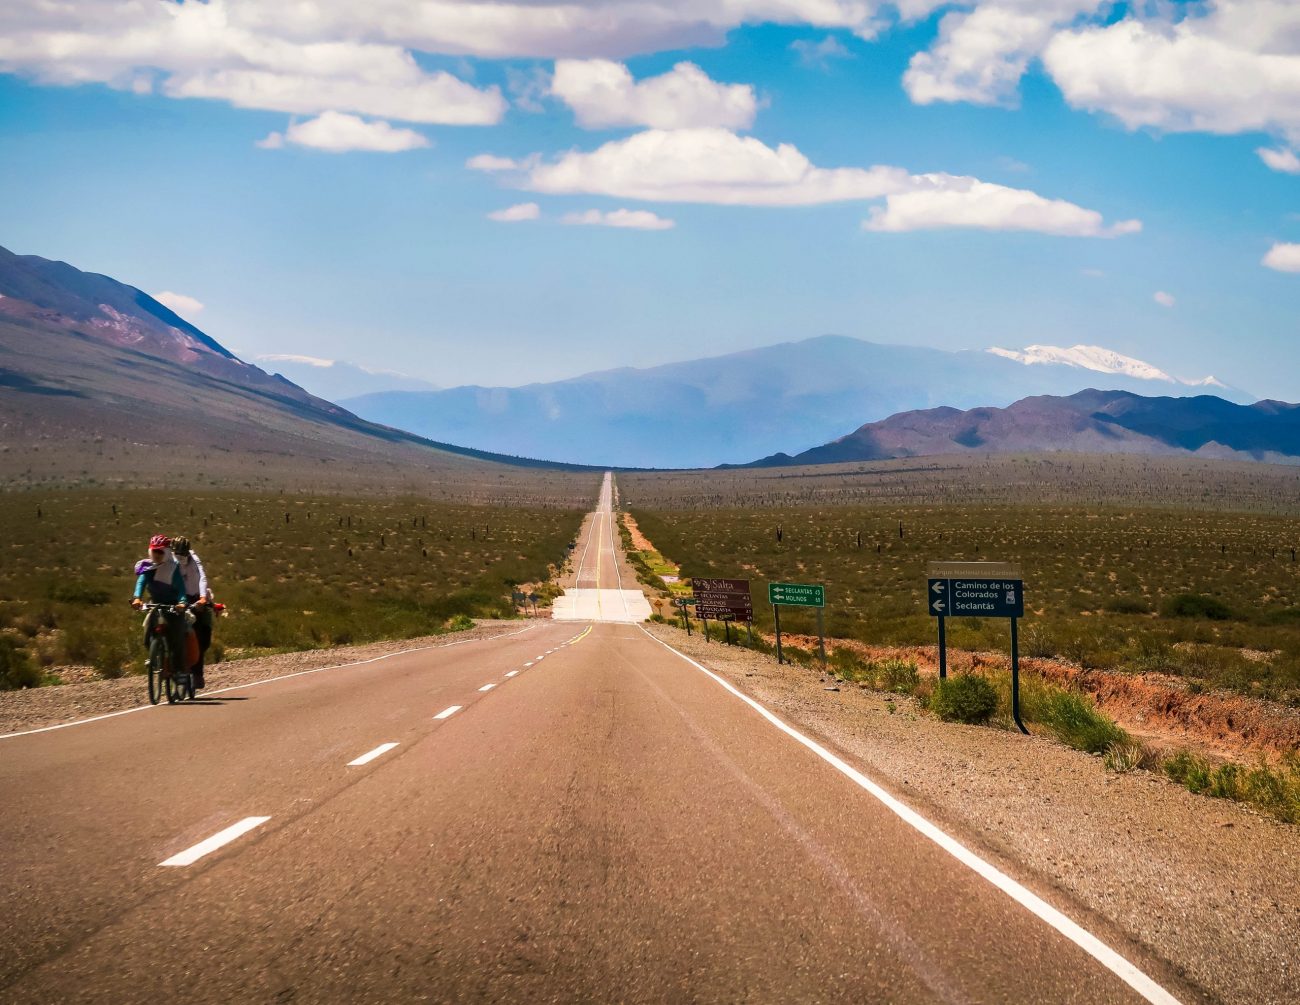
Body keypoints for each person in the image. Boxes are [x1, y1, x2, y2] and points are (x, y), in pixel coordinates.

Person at [131, 534, 189, 680]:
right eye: (154, 551)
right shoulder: (148, 567)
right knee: (147, 631)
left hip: (173, 606)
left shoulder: (172, 569)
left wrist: (182, 603)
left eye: (160, 552)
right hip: (155, 603)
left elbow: (181, 589)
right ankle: (155, 657)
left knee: (177, 638)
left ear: (166, 553)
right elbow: (141, 582)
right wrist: (137, 598)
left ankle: (179, 670)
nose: (156, 555)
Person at [172, 536, 213, 689]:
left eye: (183, 555)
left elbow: (202, 577)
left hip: (195, 598)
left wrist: (202, 598)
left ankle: (197, 673)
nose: (180, 558)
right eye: (177, 555)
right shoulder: (170, 560)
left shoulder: (194, 560)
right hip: (176, 598)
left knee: (201, 635)